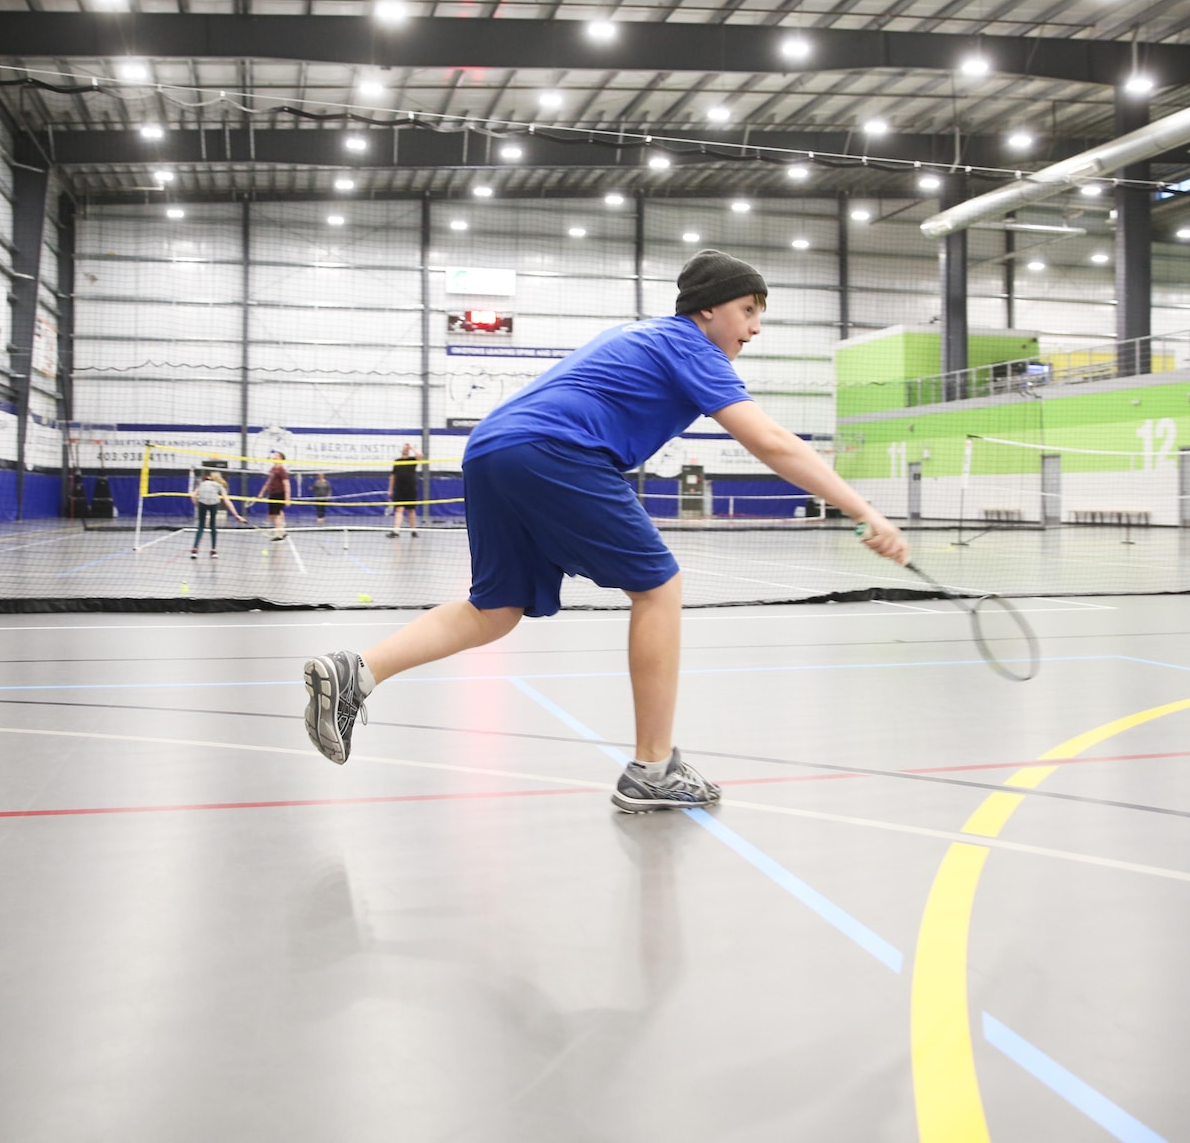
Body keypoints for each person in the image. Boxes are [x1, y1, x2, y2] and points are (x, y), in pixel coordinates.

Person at [302, 249, 908, 811]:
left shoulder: (639, 334)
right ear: (707, 309)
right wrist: (865, 511)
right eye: (747, 310)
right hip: (554, 449)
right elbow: (772, 442)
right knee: (659, 587)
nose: (754, 328)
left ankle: (358, 671)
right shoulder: (691, 346)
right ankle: (653, 769)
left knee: (496, 608)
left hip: (490, 449)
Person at [189, 471, 242, 558]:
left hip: (202, 503)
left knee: (201, 526)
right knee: (213, 525)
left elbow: (193, 495)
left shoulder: (203, 483)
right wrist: (236, 515)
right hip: (213, 503)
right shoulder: (219, 486)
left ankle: (195, 549)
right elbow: (227, 501)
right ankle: (213, 550)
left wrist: (197, 505)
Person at [255, 451, 292, 540]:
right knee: (276, 513)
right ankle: (282, 531)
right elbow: (268, 482)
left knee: (275, 515)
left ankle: (280, 534)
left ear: (281, 459)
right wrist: (261, 492)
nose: (274, 456)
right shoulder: (272, 469)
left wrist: (287, 498)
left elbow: (287, 484)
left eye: (276, 455)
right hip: (272, 494)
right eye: (274, 455)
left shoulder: (282, 470)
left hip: (279, 494)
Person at [388, 443, 420, 537]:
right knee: (399, 509)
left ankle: (413, 531)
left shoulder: (412, 460)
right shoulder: (397, 461)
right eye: (404, 448)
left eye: (407, 448)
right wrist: (390, 489)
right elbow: (393, 476)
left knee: (411, 510)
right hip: (399, 489)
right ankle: (396, 531)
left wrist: (412, 447)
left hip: (410, 489)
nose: (405, 449)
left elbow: (420, 455)